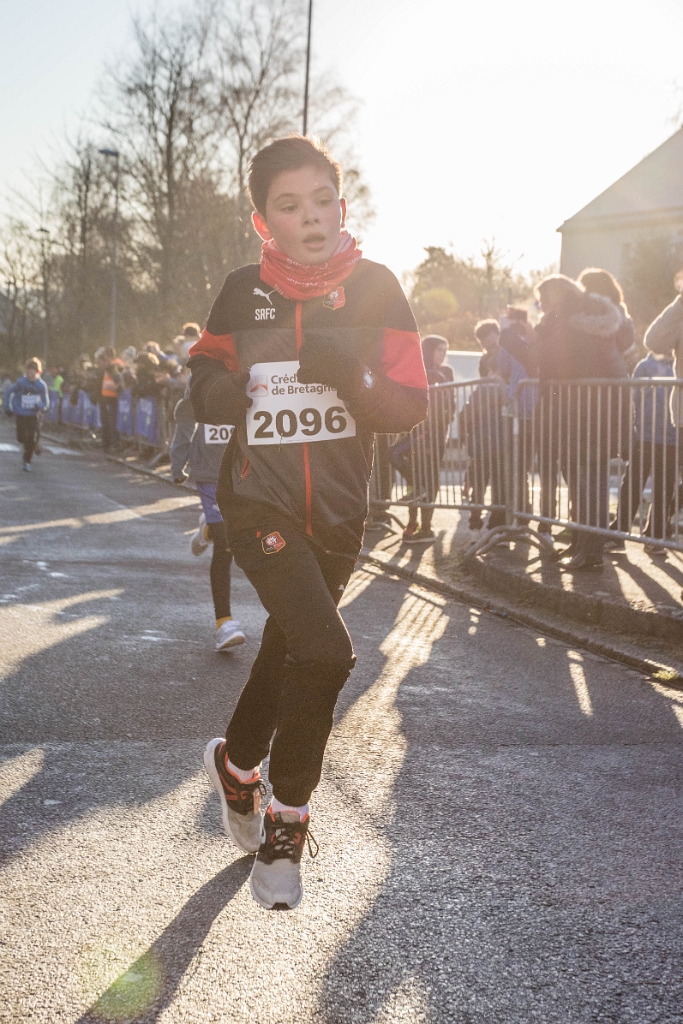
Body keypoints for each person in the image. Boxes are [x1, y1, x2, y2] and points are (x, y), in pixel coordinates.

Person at [188, 135, 428, 909]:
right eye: (290, 207)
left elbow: (409, 407)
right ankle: (286, 824)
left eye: (323, 200)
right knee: (326, 650)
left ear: (341, 204)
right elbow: (203, 371)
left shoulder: (378, 288)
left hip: (339, 511)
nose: (312, 217)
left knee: (289, 645)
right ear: (265, 223)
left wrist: (353, 377)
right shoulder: (240, 291)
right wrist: (217, 394)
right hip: (257, 500)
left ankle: (235, 770)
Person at [534, 275, 626, 569]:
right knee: (592, 483)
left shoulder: (565, 324)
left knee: (585, 484)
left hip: (578, 415)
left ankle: (589, 552)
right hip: (599, 414)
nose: (541, 305)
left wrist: (539, 331)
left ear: (555, 298)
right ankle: (584, 545)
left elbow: (549, 360)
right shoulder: (600, 322)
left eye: (543, 300)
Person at [170, 384, 246, 650]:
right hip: (209, 473)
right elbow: (184, 424)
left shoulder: (250, 374)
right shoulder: (197, 383)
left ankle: (208, 530)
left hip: (242, 471)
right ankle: (224, 623)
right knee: (225, 545)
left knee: (242, 537)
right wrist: (177, 465)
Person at [609, 352, 677, 556]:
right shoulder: (645, 367)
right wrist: (631, 433)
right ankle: (622, 532)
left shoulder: (672, 366)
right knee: (634, 484)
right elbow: (633, 402)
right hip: (648, 437)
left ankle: (652, 536)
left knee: (662, 488)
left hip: (669, 438)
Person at [400, 334, 455, 543]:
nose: (442, 355)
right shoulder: (417, 368)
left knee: (431, 477)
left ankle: (426, 526)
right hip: (417, 430)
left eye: (444, 351)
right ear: (428, 350)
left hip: (437, 433)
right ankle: (412, 521)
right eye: (439, 350)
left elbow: (451, 404)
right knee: (413, 475)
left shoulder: (446, 371)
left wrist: (440, 425)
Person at [497, 307, 538, 522]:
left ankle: (521, 511)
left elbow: (502, 366)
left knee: (517, 465)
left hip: (519, 408)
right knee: (533, 464)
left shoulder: (510, 343)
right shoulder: (536, 339)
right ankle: (532, 515)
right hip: (539, 407)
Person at [7, 358, 49, 470]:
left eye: (33, 373)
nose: (30, 375)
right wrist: (8, 407)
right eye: (28, 373)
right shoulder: (21, 382)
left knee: (31, 437)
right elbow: (9, 391)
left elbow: (45, 401)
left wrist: (41, 407)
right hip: (21, 413)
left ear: (38, 372)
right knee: (21, 438)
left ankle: (27, 461)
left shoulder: (41, 385)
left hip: (33, 415)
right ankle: (33, 445)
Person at [94, 347, 124, 452]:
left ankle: (113, 444)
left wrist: (115, 388)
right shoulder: (108, 368)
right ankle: (106, 444)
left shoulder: (112, 368)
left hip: (112, 399)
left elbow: (120, 383)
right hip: (106, 398)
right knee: (106, 422)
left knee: (111, 423)